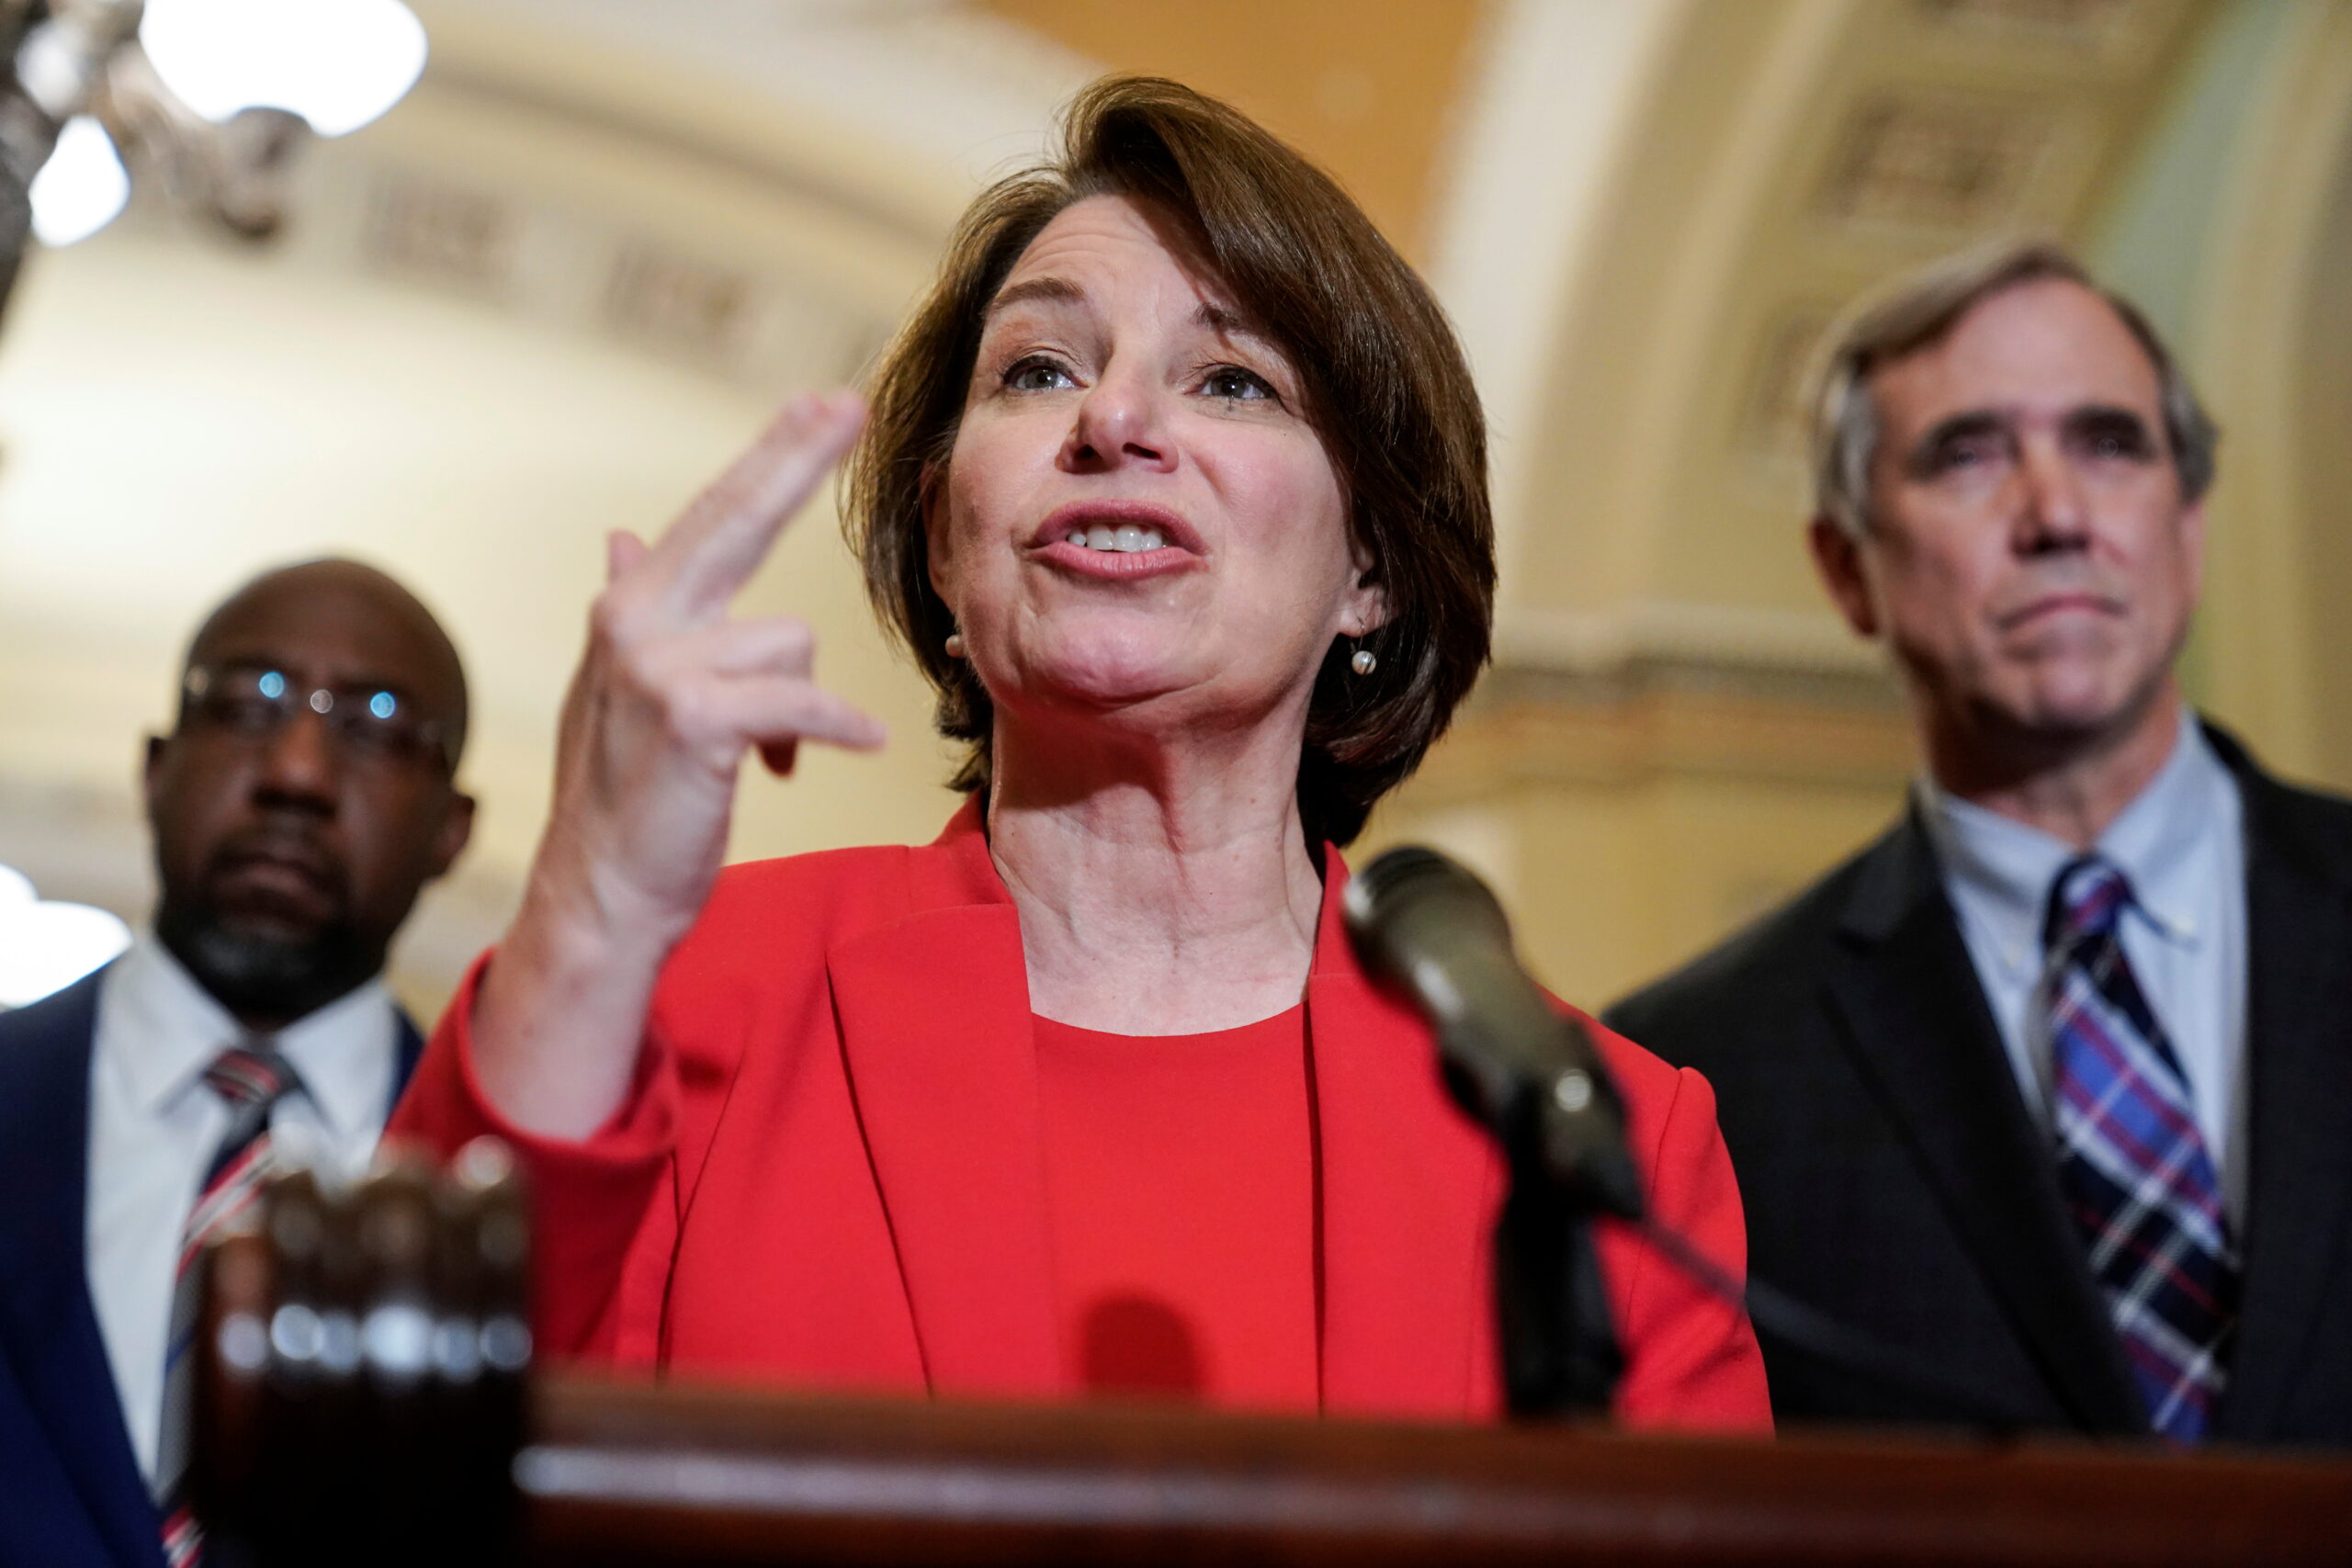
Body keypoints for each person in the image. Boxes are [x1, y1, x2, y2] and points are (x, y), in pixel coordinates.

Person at [390, 78, 1769, 1429]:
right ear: (943, 536)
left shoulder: (1594, 1139)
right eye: (1040, 370)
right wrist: (594, 914)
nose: (1113, 423)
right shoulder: (689, 1004)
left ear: (1374, 567)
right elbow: (388, 1457)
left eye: (1232, 381)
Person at [1607, 240, 2352, 1446]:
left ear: (2189, 525)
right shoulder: (1691, 1078)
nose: (2057, 514)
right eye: (1969, 455)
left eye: (2110, 444)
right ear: (1849, 573)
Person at [0, 558, 476, 1566]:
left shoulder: (496, 1190)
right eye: (249, 703)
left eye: (378, 723)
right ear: (155, 766)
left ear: (452, 831)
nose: (297, 773)